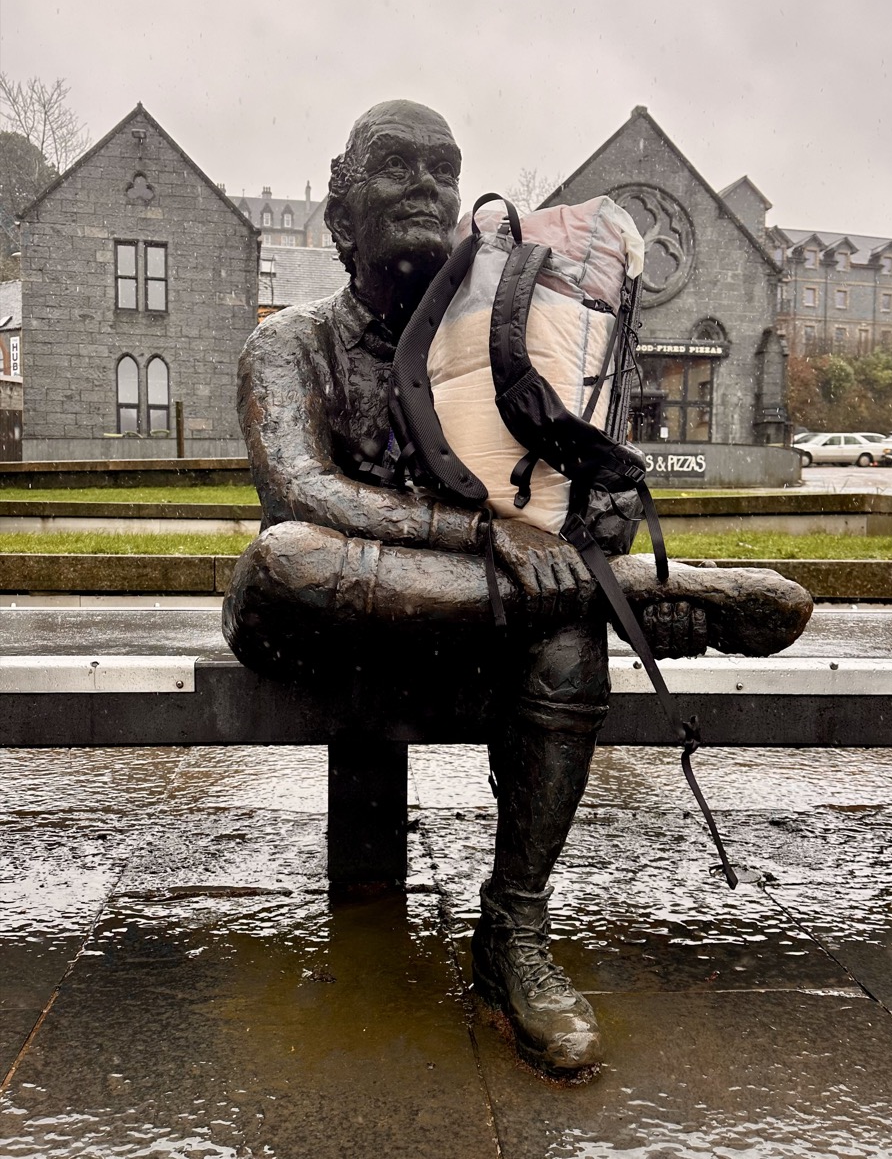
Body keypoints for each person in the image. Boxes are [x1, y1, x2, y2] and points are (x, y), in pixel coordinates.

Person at [223, 100, 810, 1077]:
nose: (423, 184)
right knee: (283, 557)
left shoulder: (500, 342)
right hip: (320, 616)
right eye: (395, 165)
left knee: (564, 639)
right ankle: (613, 593)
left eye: (442, 169)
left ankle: (513, 936)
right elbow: (304, 493)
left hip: (460, 616)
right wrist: (484, 534)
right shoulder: (290, 344)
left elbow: (545, 504)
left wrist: (576, 518)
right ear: (339, 217)